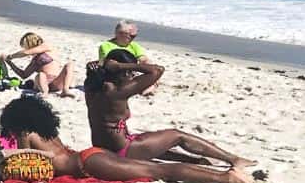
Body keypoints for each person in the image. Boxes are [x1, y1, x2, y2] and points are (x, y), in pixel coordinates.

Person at [0, 94, 251, 183]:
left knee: (159, 170)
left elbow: (20, 161)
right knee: (156, 168)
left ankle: (226, 178)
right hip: (89, 155)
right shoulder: (47, 132)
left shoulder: (25, 133)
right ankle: (224, 172)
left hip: (87, 164)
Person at [84, 53, 254, 167]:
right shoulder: (117, 92)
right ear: (118, 72)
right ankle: (233, 159)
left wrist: (101, 66)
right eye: (130, 73)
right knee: (177, 135)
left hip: (103, 148)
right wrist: (122, 66)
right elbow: (157, 70)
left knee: (162, 148)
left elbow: (93, 72)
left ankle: (198, 161)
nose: (132, 76)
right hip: (123, 151)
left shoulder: (91, 87)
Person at [0, 32, 76, 96]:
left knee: (70, 64)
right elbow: (24, 75)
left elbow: (26, 52)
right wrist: (10, 63)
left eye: (25, 46)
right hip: (42, 82)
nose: (25, 48)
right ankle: (44, 93)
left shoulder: (46, 46)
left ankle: (65, 90)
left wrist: (10, 56)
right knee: (41, 74)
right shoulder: (35, 60)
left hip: (56, 81)